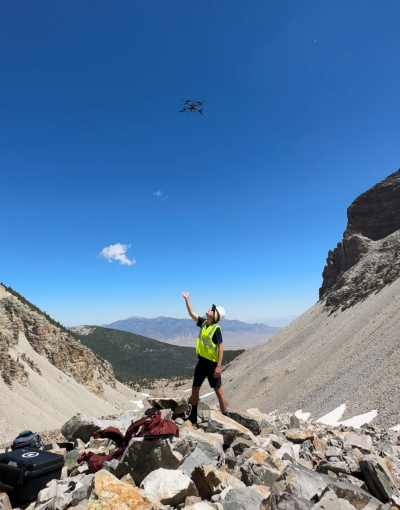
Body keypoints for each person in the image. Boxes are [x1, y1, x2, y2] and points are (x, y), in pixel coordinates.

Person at [182, 291, 228, 424]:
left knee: (218, 391)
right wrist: (187, 299)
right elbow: (192, 313)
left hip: (212, 365)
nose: (209, 309)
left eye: (212, 310)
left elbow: (220, 347)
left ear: (215, 316)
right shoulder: (204, 323)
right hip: (202, 362)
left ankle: (227, 418)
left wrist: (218, 366)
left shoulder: (216, 329)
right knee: (195, 388)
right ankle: (193, 415)